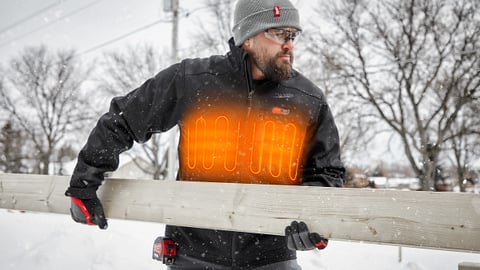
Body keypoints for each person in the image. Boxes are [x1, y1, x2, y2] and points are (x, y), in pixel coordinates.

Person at [65, 0, 345, 269]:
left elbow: (327, 173)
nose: (289, 44)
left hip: (271, 259)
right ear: (247, 37)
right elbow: (123, 120)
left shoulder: (307, 98)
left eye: (293, 35)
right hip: (193, 255)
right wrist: (84, 183)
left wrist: (314, 221)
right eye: (279, 33)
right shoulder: (194, 80)